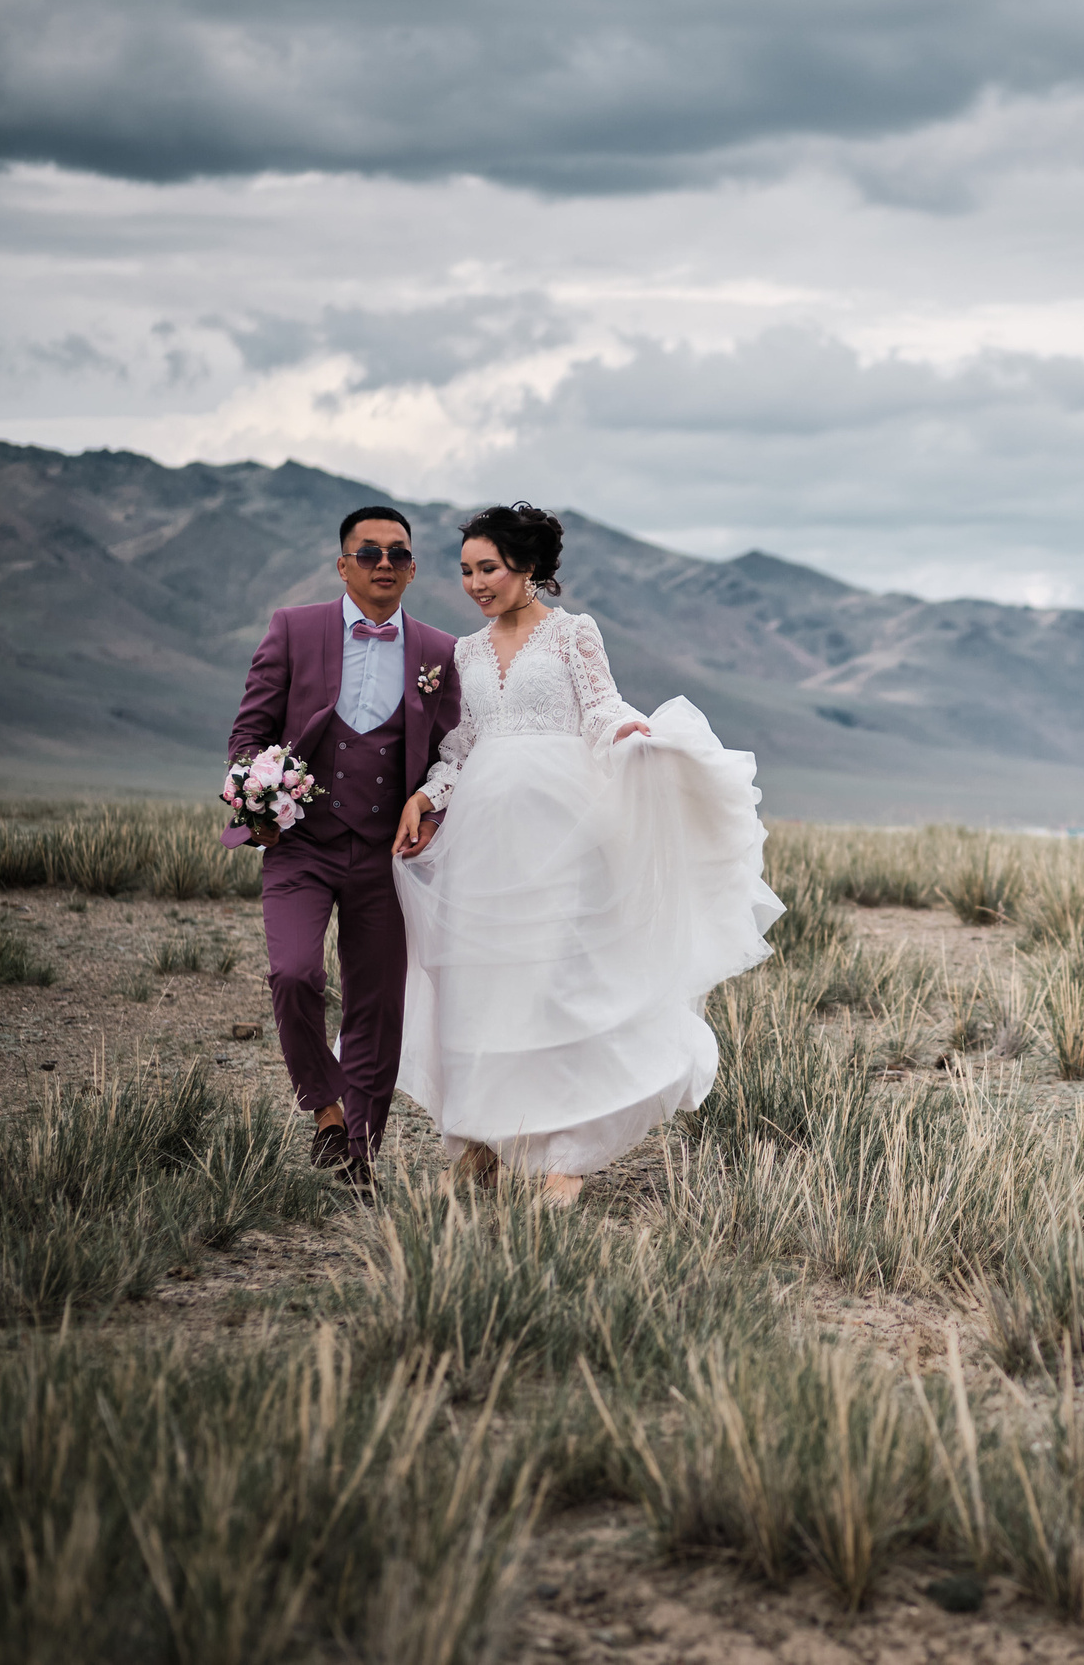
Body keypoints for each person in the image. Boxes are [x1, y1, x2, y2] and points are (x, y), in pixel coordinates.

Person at [392, 502, 781, 1205]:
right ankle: (478, 1142)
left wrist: (629, 733)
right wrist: (426, 795)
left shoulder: (573, 634)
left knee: (556, 983)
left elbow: (600, 707)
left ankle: (564, 1157)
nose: (475, 583)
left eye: (488, 568)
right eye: (466, 571)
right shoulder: (466, 652)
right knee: (481, 984)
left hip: (562, 828)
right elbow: (464, 744)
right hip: (482, 835)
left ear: (526, 567)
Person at [229, 504, 464, 1190]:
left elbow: (449, 753)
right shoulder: (293, 629)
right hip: (300, 845)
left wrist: (431, 811)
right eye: (369, 552)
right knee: (294, 974)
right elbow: (248, 737)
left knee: (378, 1007)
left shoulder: (439, 651)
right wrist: (257, 805)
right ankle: (325, 1108)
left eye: (398, 553)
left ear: (413, 569)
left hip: (389, 856)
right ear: (343, 565)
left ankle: (357, 1154)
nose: (384, 563)